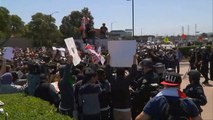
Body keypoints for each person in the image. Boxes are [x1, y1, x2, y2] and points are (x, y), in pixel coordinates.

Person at [135, 72, 202, 120]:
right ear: (179, 85)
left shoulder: (155, 101)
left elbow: (140, 118)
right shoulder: (187, 102)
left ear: (165, 85)